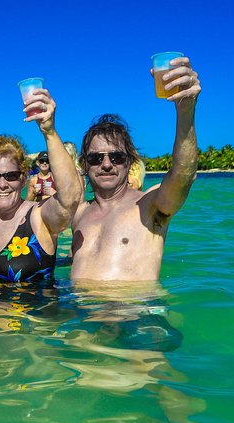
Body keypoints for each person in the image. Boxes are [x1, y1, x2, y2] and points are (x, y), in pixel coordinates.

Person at [70, 56, 201, 282]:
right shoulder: (79, 214)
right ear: (84, 165)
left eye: (117, 156)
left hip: (135, 313)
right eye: (96, 158)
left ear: (129, 162)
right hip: (81, 314)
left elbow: (183, 175)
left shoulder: (149, 205)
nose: (107, 164)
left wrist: (186, 110)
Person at [0, 88, 81, 282]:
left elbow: (69, 198)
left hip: (37, 313)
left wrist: (49, 132)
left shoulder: (39, 217)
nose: (2, 184)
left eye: (11, 176)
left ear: (23, 179)